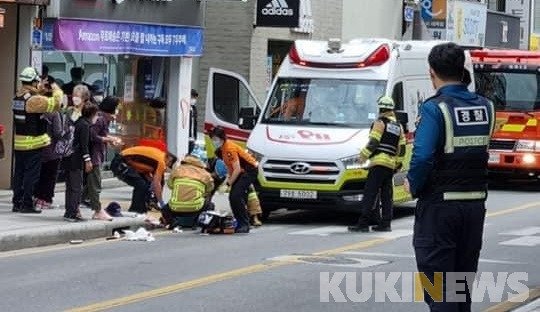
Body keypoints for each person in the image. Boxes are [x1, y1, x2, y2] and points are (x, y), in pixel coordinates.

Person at [405, 42, 495, 311]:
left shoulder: (435, 108)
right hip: (474, 207)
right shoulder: (486, 107)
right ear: (462, 69)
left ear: (432, 73)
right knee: (460, 286)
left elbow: (421, 157)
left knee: (438, 286)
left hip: (440, 209)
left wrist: (414, 186)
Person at [348, 96, 406, 233]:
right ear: (392, 110)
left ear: (381, 109)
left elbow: (374, 143)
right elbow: (402, 149)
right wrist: (397, 164)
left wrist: (362, 156)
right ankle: (385, 224)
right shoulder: (398, 126)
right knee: (387, 195)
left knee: (370, 193)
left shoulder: (380, 123)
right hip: (390, 165)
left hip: (378, 163)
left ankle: (363, 224)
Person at [12, 67, 63, 213]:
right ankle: (27, 203)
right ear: (33, 81)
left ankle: (18, 202)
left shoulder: (18, 96)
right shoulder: (34, 100)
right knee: (31, 175)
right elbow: (57, 102)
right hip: (33, 144)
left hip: (20, 143)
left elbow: (34, 100)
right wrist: (54, 86)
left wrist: (39, 88)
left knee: (19, 173)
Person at [209, 126, 259, 233]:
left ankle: (244, 224)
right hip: (241, 172)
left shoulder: (229, 149)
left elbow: (236, 168)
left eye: (215, 139)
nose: (214, 141)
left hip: (249, 170)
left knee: (235, 196)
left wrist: (228, 183)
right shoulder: (222, 150)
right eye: (212, 139)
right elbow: (230, 167)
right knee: (233, 197)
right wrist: (229, 180)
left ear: (222, 138)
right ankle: (240, 222)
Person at [83, 96, 123, 220]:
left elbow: (102, 134)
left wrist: (110, 140)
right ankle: (97, 210)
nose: (117, 112)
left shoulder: (104, 119)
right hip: (93, 156)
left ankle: (80, 201)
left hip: (97, 154)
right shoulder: (100, 119)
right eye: (116, 109)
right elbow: (92, 136)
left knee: (90, 184)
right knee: (95, 184)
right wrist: (108, 139)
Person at [110, 145, 177, 214]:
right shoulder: (161, 161)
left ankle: (143, 207)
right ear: (169, 160)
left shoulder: (158, 156)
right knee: (141, 185)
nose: (166, 167)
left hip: (122, 161)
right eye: (168, 165)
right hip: (120, 162)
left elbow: (145, 169)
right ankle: (135, 211)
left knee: (145, 184)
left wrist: (151, 182)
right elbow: (157, 184)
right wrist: (161, 202)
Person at [63, 102, 99, 222]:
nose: (97, 117)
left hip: (68, 157)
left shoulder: (78, 122)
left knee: (70, 187)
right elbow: (84, 146)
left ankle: (69, 211)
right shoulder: (85, 126)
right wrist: (88, 161)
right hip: (76, 159)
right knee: (76, 187)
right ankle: (73, 212)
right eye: (96, 115)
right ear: (92, 114)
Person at [161, 153, 214, 228]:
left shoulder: (177, 170)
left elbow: (170, 185)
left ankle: (173, 222)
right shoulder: (205, 174)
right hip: (196, 208)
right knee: (210, 205)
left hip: (175, 208)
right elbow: (210, 188)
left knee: (164, 209)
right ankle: (201, 223)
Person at [189, 89, 199, 153]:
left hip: (192, 138)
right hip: (186, 138)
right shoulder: (185, 107)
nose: (194, 99)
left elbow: (195, 123)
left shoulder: (194, 109)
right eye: (192, 97)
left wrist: (195, 137)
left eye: (195, 98)